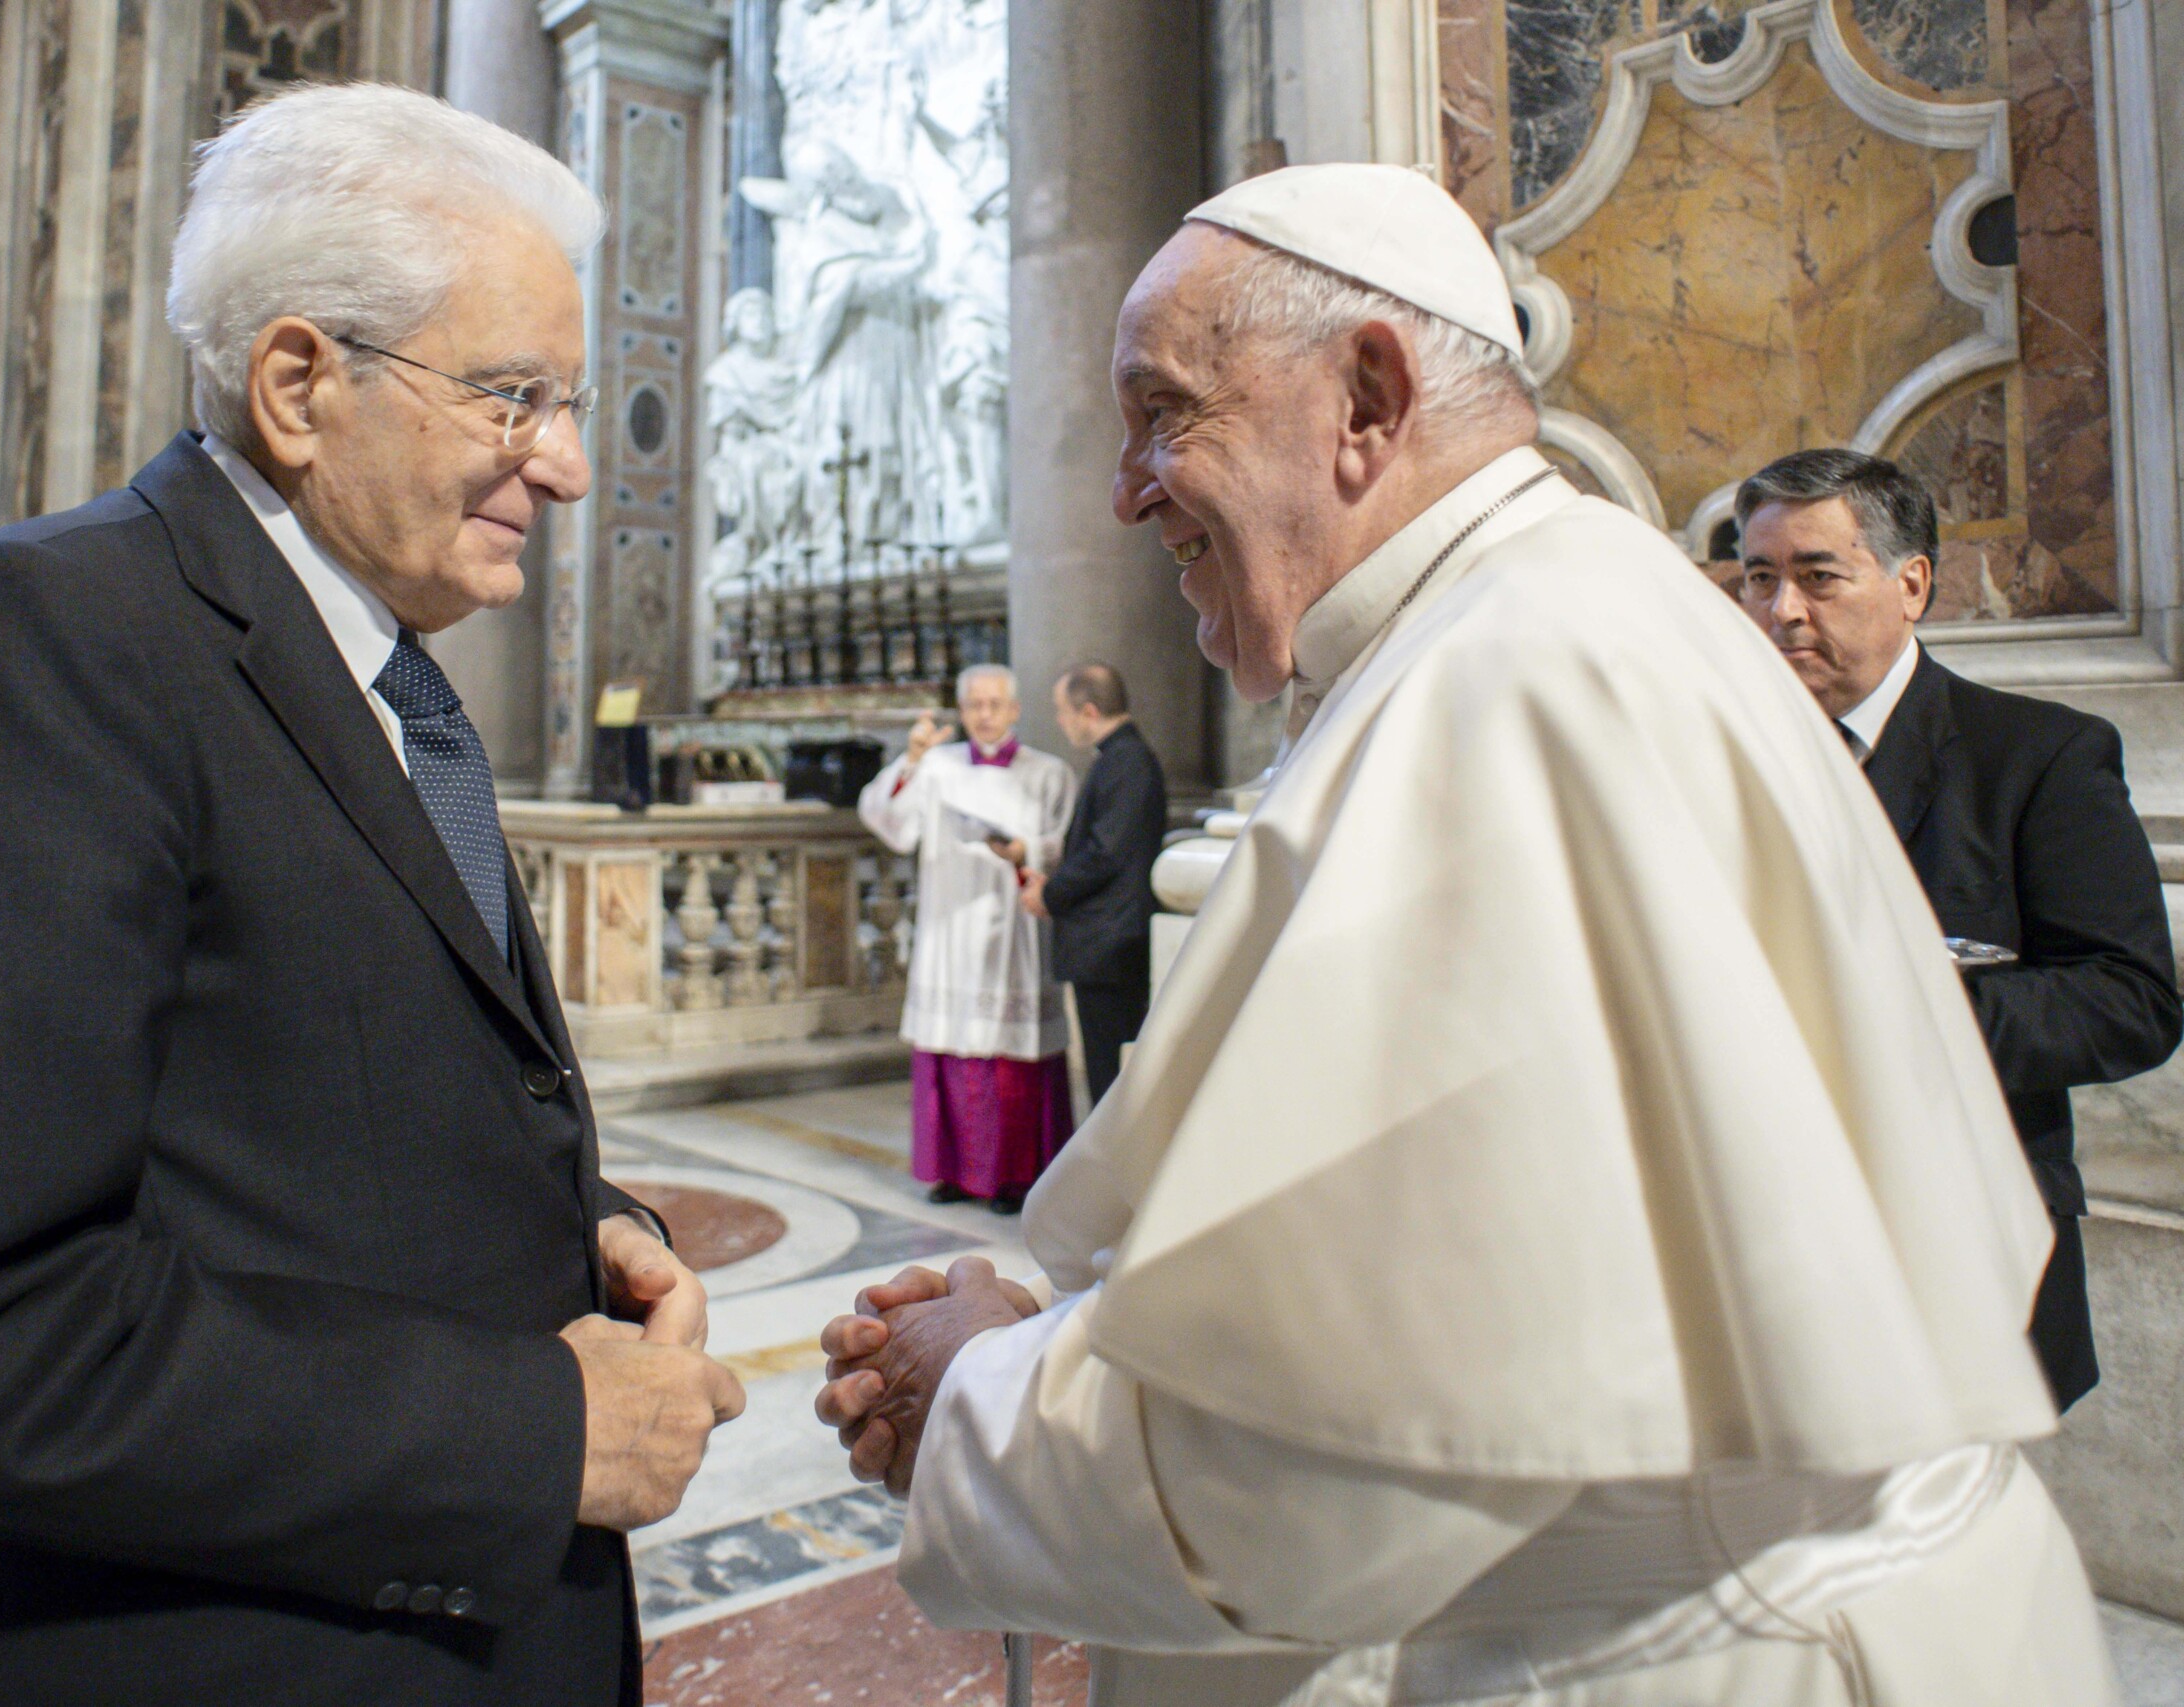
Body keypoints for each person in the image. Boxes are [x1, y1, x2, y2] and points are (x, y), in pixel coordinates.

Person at [815, 164, 2116, 1705]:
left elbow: (1323, 1457)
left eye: (1165, 412)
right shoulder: (1550, 614)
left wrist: (971, 1388)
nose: (1125, 488)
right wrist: (1083, 1321)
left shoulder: (1512, 679)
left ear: (1367, 397)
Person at [0, 85, 745, 1707]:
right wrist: (538, 1429)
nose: (570, 465)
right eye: (516, 398)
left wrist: (574, 1235)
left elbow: (295, 1115)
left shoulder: (382, 679)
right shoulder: (49, 642)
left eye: (569, 402)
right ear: (301, 384)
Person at [1737, 447, 2181, 1412]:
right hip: (1759, 1249)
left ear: (1912, 584)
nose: (1782, 612)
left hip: (1966, 1245)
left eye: (1817, 575)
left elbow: (2132, 1002)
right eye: (1758, 578)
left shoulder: (2039, 757)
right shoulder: (1714, 762)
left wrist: (1891, 1006)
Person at [859, 664, 1077, 1214]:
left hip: (1012, 929)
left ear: (1014, 709)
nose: (984, 715)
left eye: (994, 704)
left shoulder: (1048, 773)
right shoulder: (935, 767)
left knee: (1010, 1059)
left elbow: (1067, 843)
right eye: (974, 705)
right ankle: (953, 1172)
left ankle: (1015, 1177)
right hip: (948, 926)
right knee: (953, 1053)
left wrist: (1026, 849)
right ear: (961, 711)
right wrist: (909, 760)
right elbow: (889, 822)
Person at [1018, 662, 1167, 1105]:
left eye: (1062, 711)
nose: (1060, 722)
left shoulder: (1128, 762)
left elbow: (1105, 854)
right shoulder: (1118, 760)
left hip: (1111, 942)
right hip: (1105, 940)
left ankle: (1114, 1171)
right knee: (1105, 1070)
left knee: (1110, 1074)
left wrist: (1050, 893)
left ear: (1088, 711)